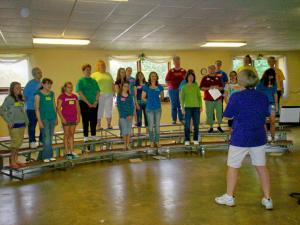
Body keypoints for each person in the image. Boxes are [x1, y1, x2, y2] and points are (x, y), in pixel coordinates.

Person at [215, 69, 273, 210]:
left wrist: (229, 100)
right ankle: (268, 199)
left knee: (233, 167)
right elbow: (267, 114)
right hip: (258, 137)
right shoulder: (263, 96)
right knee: (261, 167)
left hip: (240, 137)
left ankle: (229, 197)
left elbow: (227, 115)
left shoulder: (236, 97)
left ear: (241, 81)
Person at [0, 82, 28, 168]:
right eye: (17, 88)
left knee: (19, 143)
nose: (19, 89)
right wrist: (9, 121)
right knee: (15, 144)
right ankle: (12, 161)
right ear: (12, 89)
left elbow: (23, 110)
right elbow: (2, 110)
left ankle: (16, 160)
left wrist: (26, 120)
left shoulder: (21, 99)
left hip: (22, 123)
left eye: (20, 88)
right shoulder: (9, 99)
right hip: (14, 124)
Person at [35, 78, 57, 163]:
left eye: (50, 84)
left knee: (50, 138)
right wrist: (39, 121)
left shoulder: (52, 94)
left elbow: (54, 105)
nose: (49, 86)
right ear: (43, 84)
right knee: (46, 138)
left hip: (52, 117)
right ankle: (46, 156)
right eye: (47, 84)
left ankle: (47, 155)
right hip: (44, 119)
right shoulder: (38, 94)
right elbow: (36, 109)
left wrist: (56, 117)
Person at [76, 64, 100, 143]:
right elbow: (80, 92)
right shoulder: (81, 81)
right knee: (85, 120)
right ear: (83, 71)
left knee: (94, 120)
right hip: (84, 103)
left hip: (94, 103)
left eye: (89, 70)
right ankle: (85, 136)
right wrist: (88, 103)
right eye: (86, 70)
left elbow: (98, 91)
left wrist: (96, 101)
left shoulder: (94, 81)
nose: (88, 71)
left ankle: (93, 135)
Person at [57, 82, 80, 159]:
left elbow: (77, 107)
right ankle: (67, 152)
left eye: (71, 87)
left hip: (73, 118)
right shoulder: (61, 96)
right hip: (66, 118)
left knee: (72, 135)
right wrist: (62, 118)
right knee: (66, 135)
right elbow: (58, 109)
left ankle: (72, 151)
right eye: (68, 87)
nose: (70, 89)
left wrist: (78, 117)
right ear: (65, 88)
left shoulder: (75, 96)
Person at [142, 72, 164, 148]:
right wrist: (149, 101)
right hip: (149, 109)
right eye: (152, 76)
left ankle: (157, 141)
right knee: (150, 126)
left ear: (157, 77)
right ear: (150, 77)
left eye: (155, 76)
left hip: (158, 109)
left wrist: (159, 99)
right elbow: (143, 97)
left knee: (157, 126)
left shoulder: (160, 87)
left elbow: (162, 97)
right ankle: (151, 141)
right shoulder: (146, 86)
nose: (153, 77)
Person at [180, 70, 202, 146]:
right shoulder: (184, 87)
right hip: (187, 108)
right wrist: (182, 108)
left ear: (193, 78)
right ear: (187, 78)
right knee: (187, 124)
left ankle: (195, 139)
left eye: (192, 77)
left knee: (196, 124)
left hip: (196, 108)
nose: (191, 78)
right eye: (189, 77)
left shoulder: (196, 86)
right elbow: (182, 99)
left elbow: (199, 97)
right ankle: (187, 140)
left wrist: (201, 106)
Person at [200, 65, 224, 133]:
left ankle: (219, 126)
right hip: (208, 99)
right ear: (208, 70)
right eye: (210, 69)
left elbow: (222, 87)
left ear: (215, 69)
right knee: (209, 113)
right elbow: (201, 88)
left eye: (213, 69)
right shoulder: (204, 78)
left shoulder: (218, 78)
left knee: (219, 113)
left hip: (218, 98)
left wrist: (218, 87)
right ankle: (211, 127)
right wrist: (209, 88)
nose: (212, 70)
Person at [23, 67, 43, 149]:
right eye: (38, 72)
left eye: (40, 72)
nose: (40, 73)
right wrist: (32, 101)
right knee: (32, 126)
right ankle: (32, 141)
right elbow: (24, 96)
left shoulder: (42, 84)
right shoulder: (30, 83)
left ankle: (42, 140)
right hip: (31, 108)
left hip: (41, 108)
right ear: (34, 74)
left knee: (42, 124)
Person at [256, 68, 278, 141]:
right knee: (263, 121)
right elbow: (257, 94)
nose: (271, 77)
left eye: (272, 76)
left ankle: (273, 137)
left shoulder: (274, 83)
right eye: (270, 76)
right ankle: (265, 137)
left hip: (271, 104)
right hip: (262, 104)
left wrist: (277, 105)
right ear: (266, 75)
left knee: (273, 121)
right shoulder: (260, 83)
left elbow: (275, 94)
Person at [91, 60, 114, 130]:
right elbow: (92, 85)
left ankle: (109, 124)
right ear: (98, 66)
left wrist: (114, 91)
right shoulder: (94, 74)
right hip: (99, 94)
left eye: (103, 64)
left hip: (109, 94)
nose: (103, 66)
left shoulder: (108, 74)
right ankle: (98, 125)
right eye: (101, 65)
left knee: (109, 109)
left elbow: (113, 83)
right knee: (99, 110)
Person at [165, 56, 186, 124]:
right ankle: (174, 119)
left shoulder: (184, 71)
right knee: (174, 105)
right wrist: (171, 86)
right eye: (175, 61)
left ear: (180, 61)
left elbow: (187, 80)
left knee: (180, 104)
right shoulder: (171, 71)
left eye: (178, 61)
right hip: (172, 90)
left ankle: (181, 119)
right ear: (173, 62)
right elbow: (167, 80)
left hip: (181, 90)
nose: (177, 62)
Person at [117, 81, 134, 150]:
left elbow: (132, 106)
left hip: (130, 116)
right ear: (122, 87)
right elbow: (120, 107)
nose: (126, 88)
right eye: (125, 86)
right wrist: (125, 115)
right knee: (124, 131)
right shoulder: (119, 96)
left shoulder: (130, 96)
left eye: (127, 86)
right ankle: (124, 144)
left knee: (128, 131)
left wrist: (130, 115)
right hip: (123, 117)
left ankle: (128, 144)